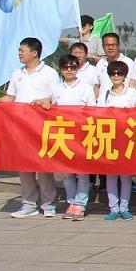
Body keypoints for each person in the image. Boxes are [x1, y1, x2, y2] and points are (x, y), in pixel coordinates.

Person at [0, 38, 61, 218]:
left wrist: (46, 100)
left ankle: (48, 203)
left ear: (34, 53)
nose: (19, 53)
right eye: (19, 50)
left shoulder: (49, 73)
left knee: (44, 166)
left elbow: (58, 97)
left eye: (22, 50)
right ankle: (29, 204)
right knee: (24, 165)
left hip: (41, 127)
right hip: (21, 127)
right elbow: (11, 97)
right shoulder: (17, 74)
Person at [34, 54, 95, 220]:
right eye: (65, 67)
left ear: (77, 68)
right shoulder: (56, 89)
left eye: (72, 67)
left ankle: (80, 205)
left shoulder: (86, 88)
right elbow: (49, 105)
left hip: (81, 135)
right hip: (63, 135)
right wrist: (42, 102)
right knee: (67, 173)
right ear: (60, 70)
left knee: (82, 173)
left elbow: (93, 111)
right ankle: (71, 203)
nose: (69, 70)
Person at [97, 60, 136, 221]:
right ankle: (113, 208)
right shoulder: (105, 94)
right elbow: (98, 114)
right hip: (110, 137)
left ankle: (125, 208)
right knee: (111, 175)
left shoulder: (132, 93)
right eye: (113, 73)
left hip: (127, 137)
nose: (116, 76)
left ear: (125, 76)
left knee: (126, 175)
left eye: (119, 73)